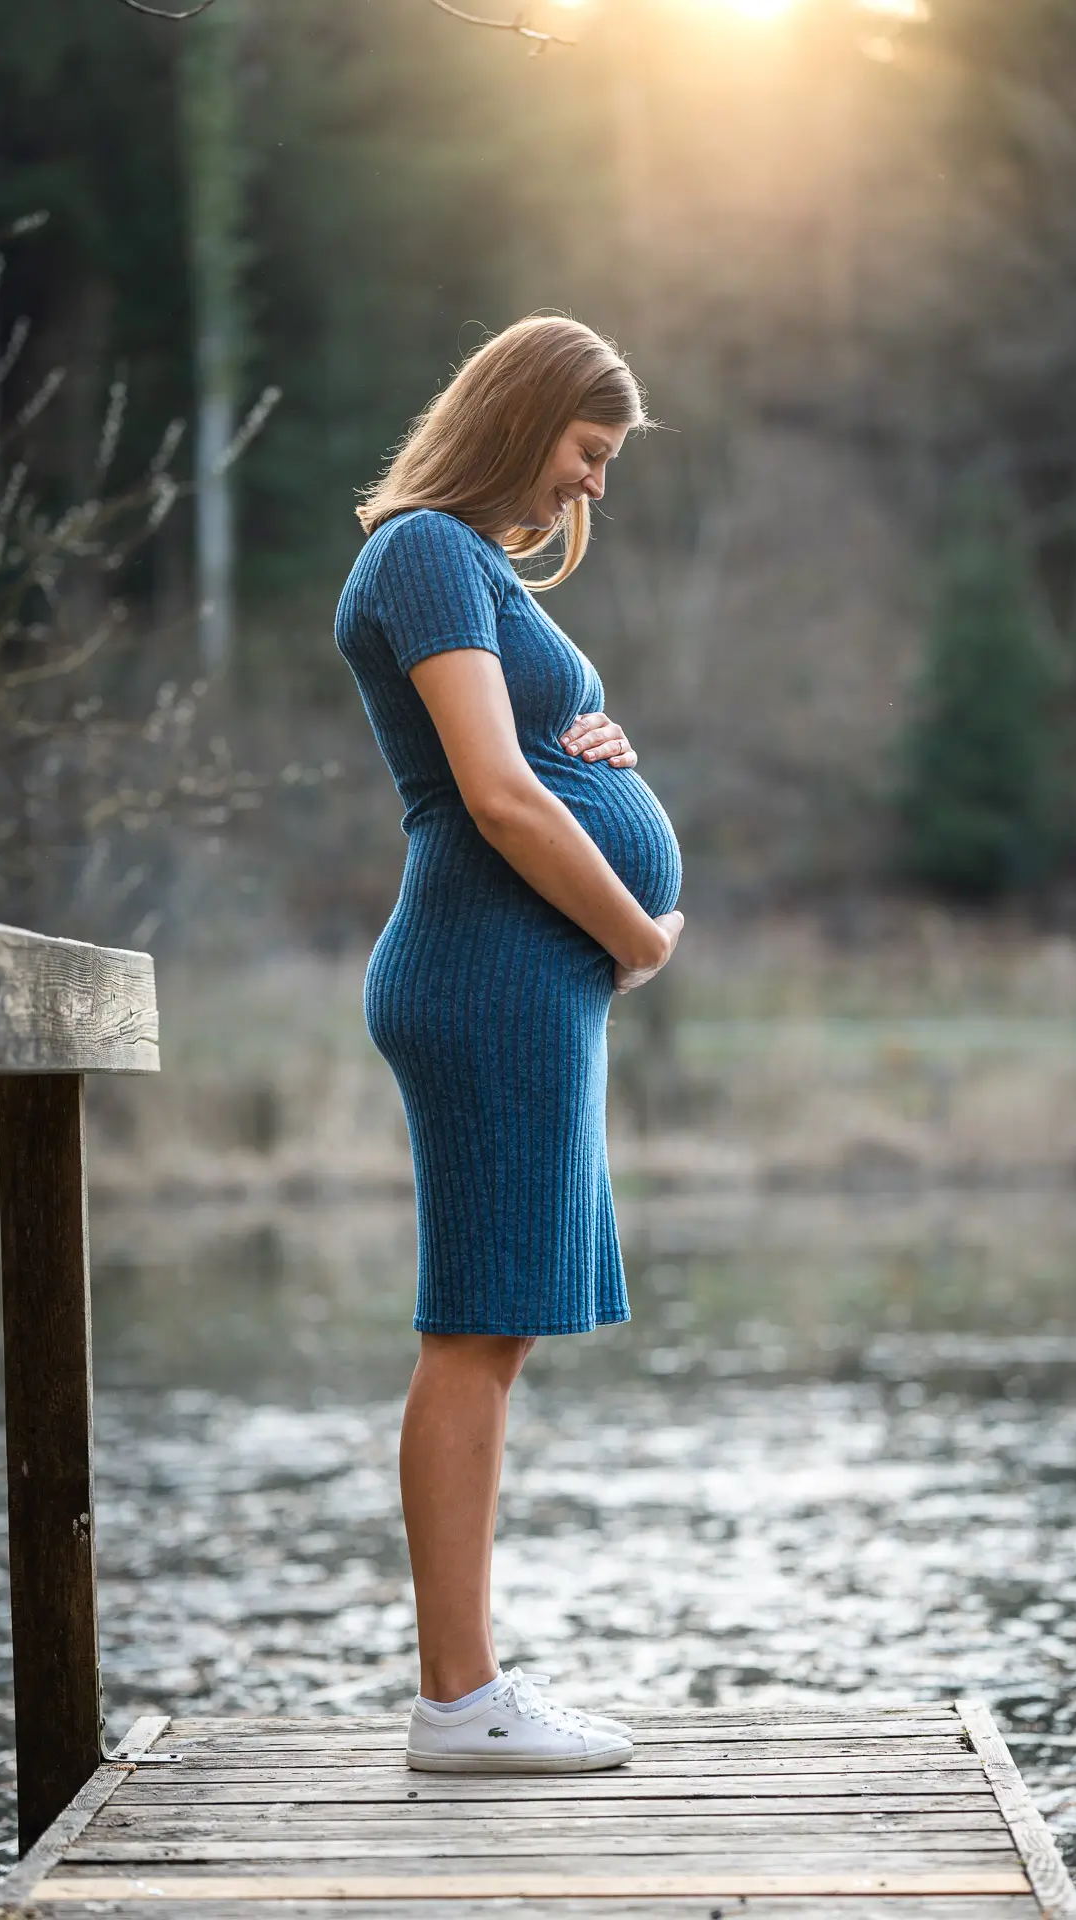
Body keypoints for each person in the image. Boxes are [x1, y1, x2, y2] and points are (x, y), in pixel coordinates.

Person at [335, 317, 683, 1774]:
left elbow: (529, 761)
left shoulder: (463, 569)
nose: (584, 495)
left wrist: (596, 744)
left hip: (512, 978)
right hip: (484, 976)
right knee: (473, 1327)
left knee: (495, 1327)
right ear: (524, 414)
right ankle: (458, 1703)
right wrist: (643, 932)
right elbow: (494, 793)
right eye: (584, 456)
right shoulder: (426, 553)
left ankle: (465, 1692)